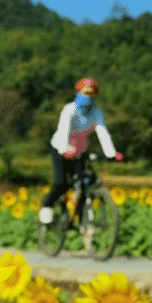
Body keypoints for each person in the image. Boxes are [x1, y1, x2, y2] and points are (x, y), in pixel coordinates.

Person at [38, 78, 123, 224]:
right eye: (85, 92)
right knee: (62, 183)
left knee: (85, 185)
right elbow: (64, 130)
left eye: (92, 93)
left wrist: (112, 153)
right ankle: (47, 205)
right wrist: (65, 150)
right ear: (78, 92)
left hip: (80, 151)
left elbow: (102, 132)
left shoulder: (96, 112)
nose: (88, 96)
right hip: (61, 148)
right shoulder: (70, 109)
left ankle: (81, 219)